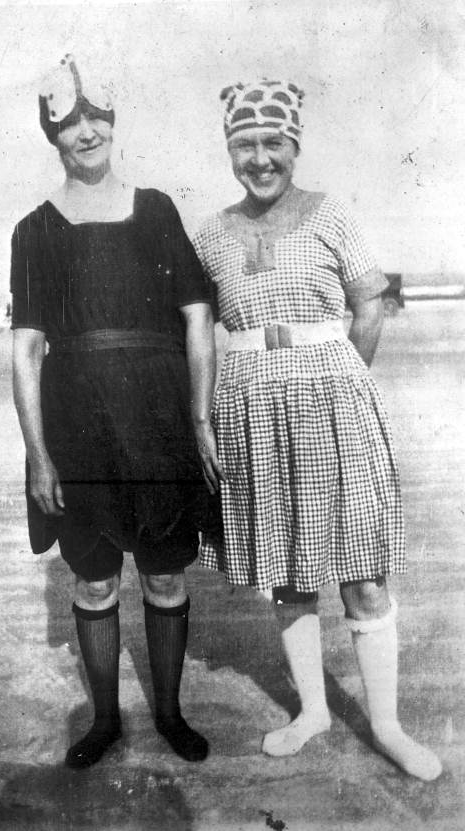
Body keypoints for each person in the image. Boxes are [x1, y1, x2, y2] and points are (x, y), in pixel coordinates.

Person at [192, 78, 442, 781]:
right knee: (288, 573)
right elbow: (201, 332)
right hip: (250, 407)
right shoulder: (210, 233)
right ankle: (313, 711)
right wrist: (205, 413)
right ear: (229, 150)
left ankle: (386, 725)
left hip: (335, 400)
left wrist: (337, 383)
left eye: (273, 143)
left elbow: (369, 305)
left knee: (363, 573)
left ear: (294, 145)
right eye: (245, 145)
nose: (260, 158)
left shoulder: (331, 215)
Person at [11, 55, 220, 770]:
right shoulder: (33, 230)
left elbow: (197, 317)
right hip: (77, 427)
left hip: (159, 421)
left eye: (98, 117)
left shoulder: (156, 208)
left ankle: (167, 711)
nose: (88, 132)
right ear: (52, 135)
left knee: (165, 574)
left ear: (114, 123)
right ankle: (105, 719)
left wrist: (198, 420)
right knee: (94, 578)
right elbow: (26, 349)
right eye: (70, 123)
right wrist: (38, 452)